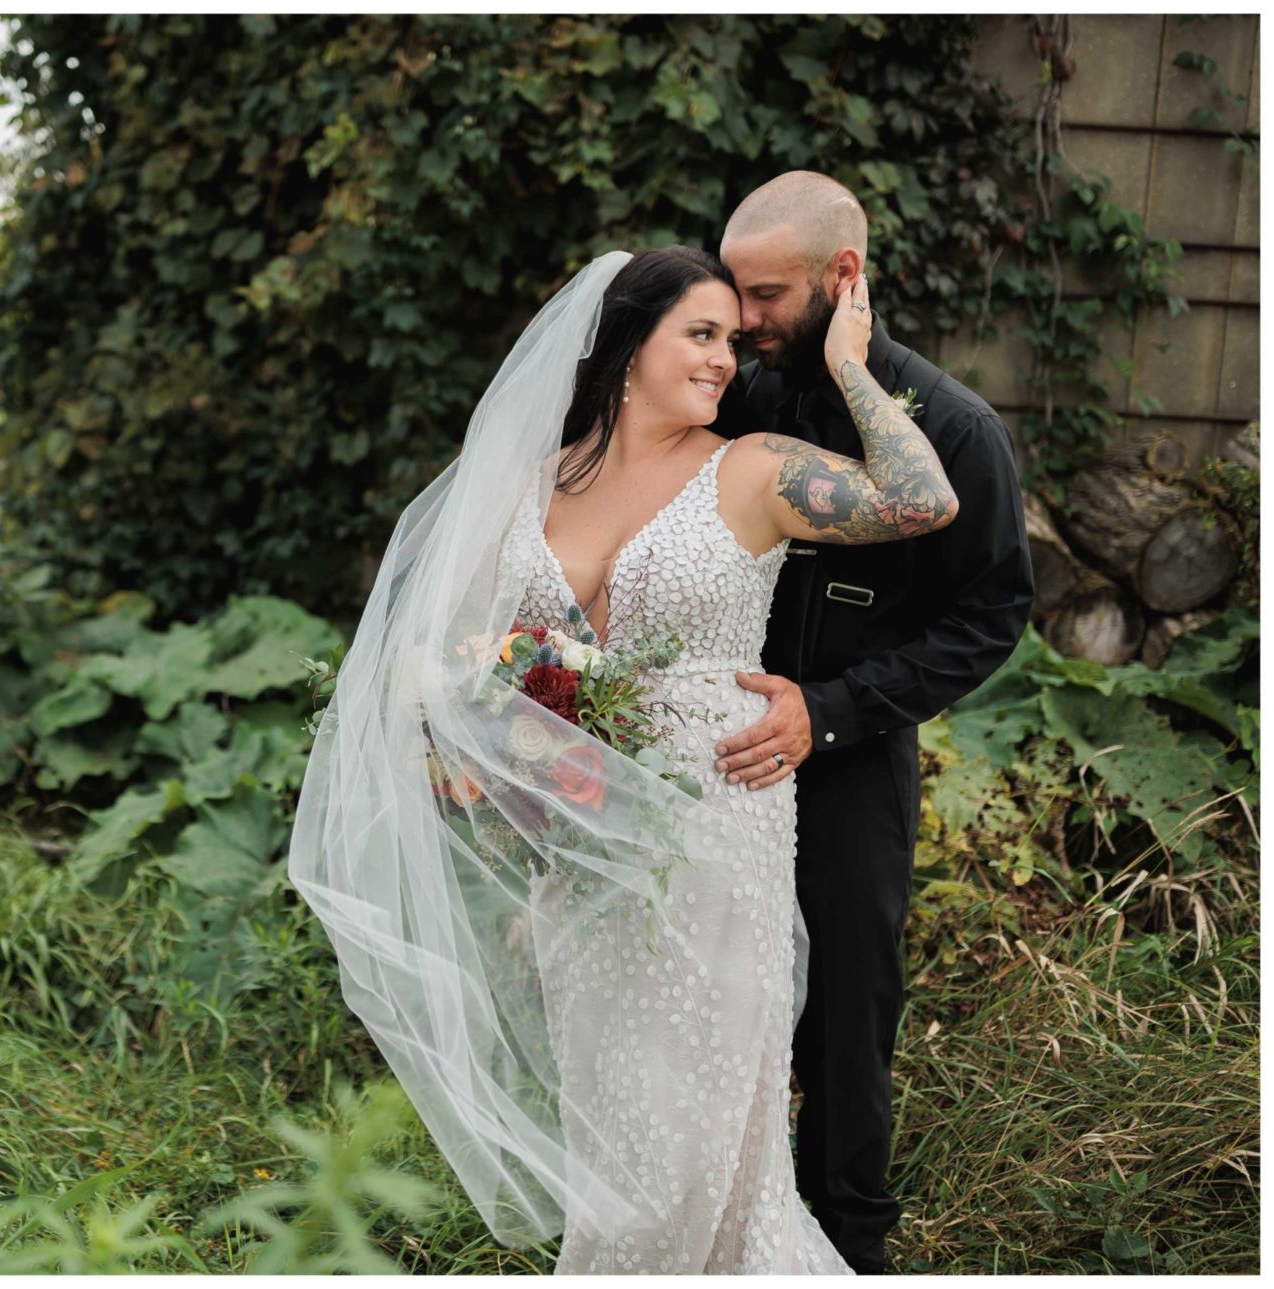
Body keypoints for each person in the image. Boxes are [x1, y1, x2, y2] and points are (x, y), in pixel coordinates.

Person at [287, 242, 960, 1274]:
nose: (723, 360)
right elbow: (462, 664)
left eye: (733, 340)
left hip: (717, 820)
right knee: (615, 1116)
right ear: (622, 345)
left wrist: (852, 368)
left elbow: (924, 500)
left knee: (702, 1129)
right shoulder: (522, 487)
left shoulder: (754, 466)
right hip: (577, 838)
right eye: (699, 334)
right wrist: (489, 767)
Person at [710, 171, 1036, 1273]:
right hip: (709, 753)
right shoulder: (738, 395)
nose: (743, 320)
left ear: (843, 277)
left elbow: (991, 613)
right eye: (734, 294)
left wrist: (836, 711)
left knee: (847, 1012)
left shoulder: (954, 428)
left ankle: (847, 1245)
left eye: (765, 295)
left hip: (853, 758)